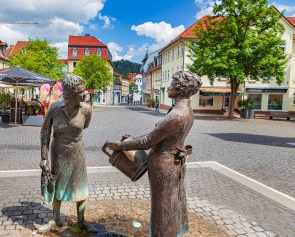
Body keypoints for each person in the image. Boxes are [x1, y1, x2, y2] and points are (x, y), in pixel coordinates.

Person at [103, 71, 202, 237]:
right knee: (169, 205)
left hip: (164, 165)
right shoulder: (186, 111)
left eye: (172, 84)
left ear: (179, 88)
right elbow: (155, 136)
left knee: (162, 208)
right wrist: (129, 142)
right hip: (172, 163)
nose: (169, 86)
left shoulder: (177, 115)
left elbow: (148, 141)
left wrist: (122, 145)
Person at [39, 74, 96, 232]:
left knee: (81, 184)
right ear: (70, 93)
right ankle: (55, 218)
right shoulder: (55, 108)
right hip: (59, 150)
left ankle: (81, 220)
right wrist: (44, 157)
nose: (83, 95)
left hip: (77, 149)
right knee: (58, 182)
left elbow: (84, 127)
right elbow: (45, 131)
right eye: (80, 92)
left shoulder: (86, 110)